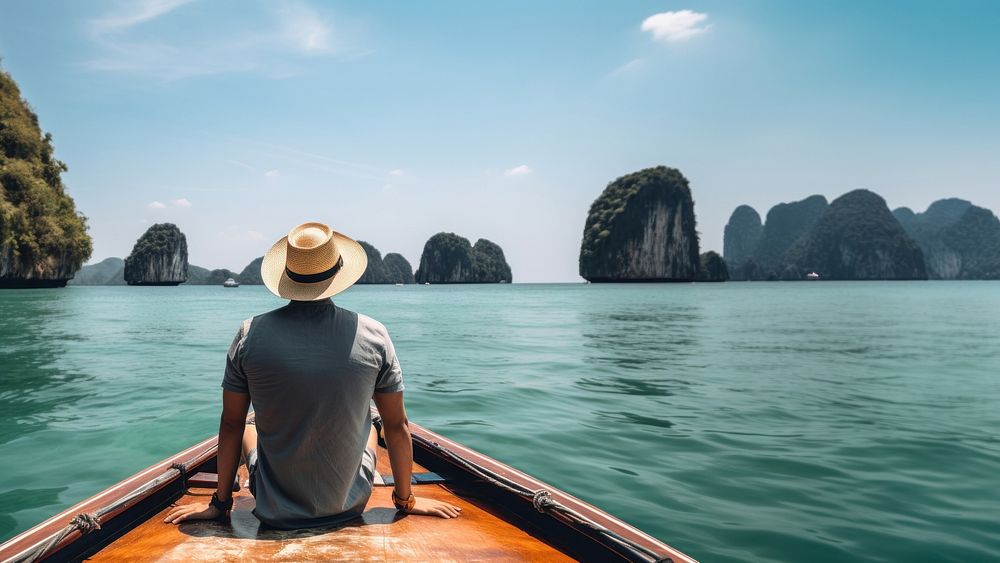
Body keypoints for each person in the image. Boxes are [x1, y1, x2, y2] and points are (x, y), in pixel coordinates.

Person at [165, 222, 460, 526]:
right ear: (337, 274)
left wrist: (220, 504)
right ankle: (370, 425)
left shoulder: (249, 334)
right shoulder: (374, 334)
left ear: (287, 276)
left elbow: (230, 424)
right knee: (375, 425)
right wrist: (405, 500)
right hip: (350, 503)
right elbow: (397, 425)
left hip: (273, 506)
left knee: (248, 425)